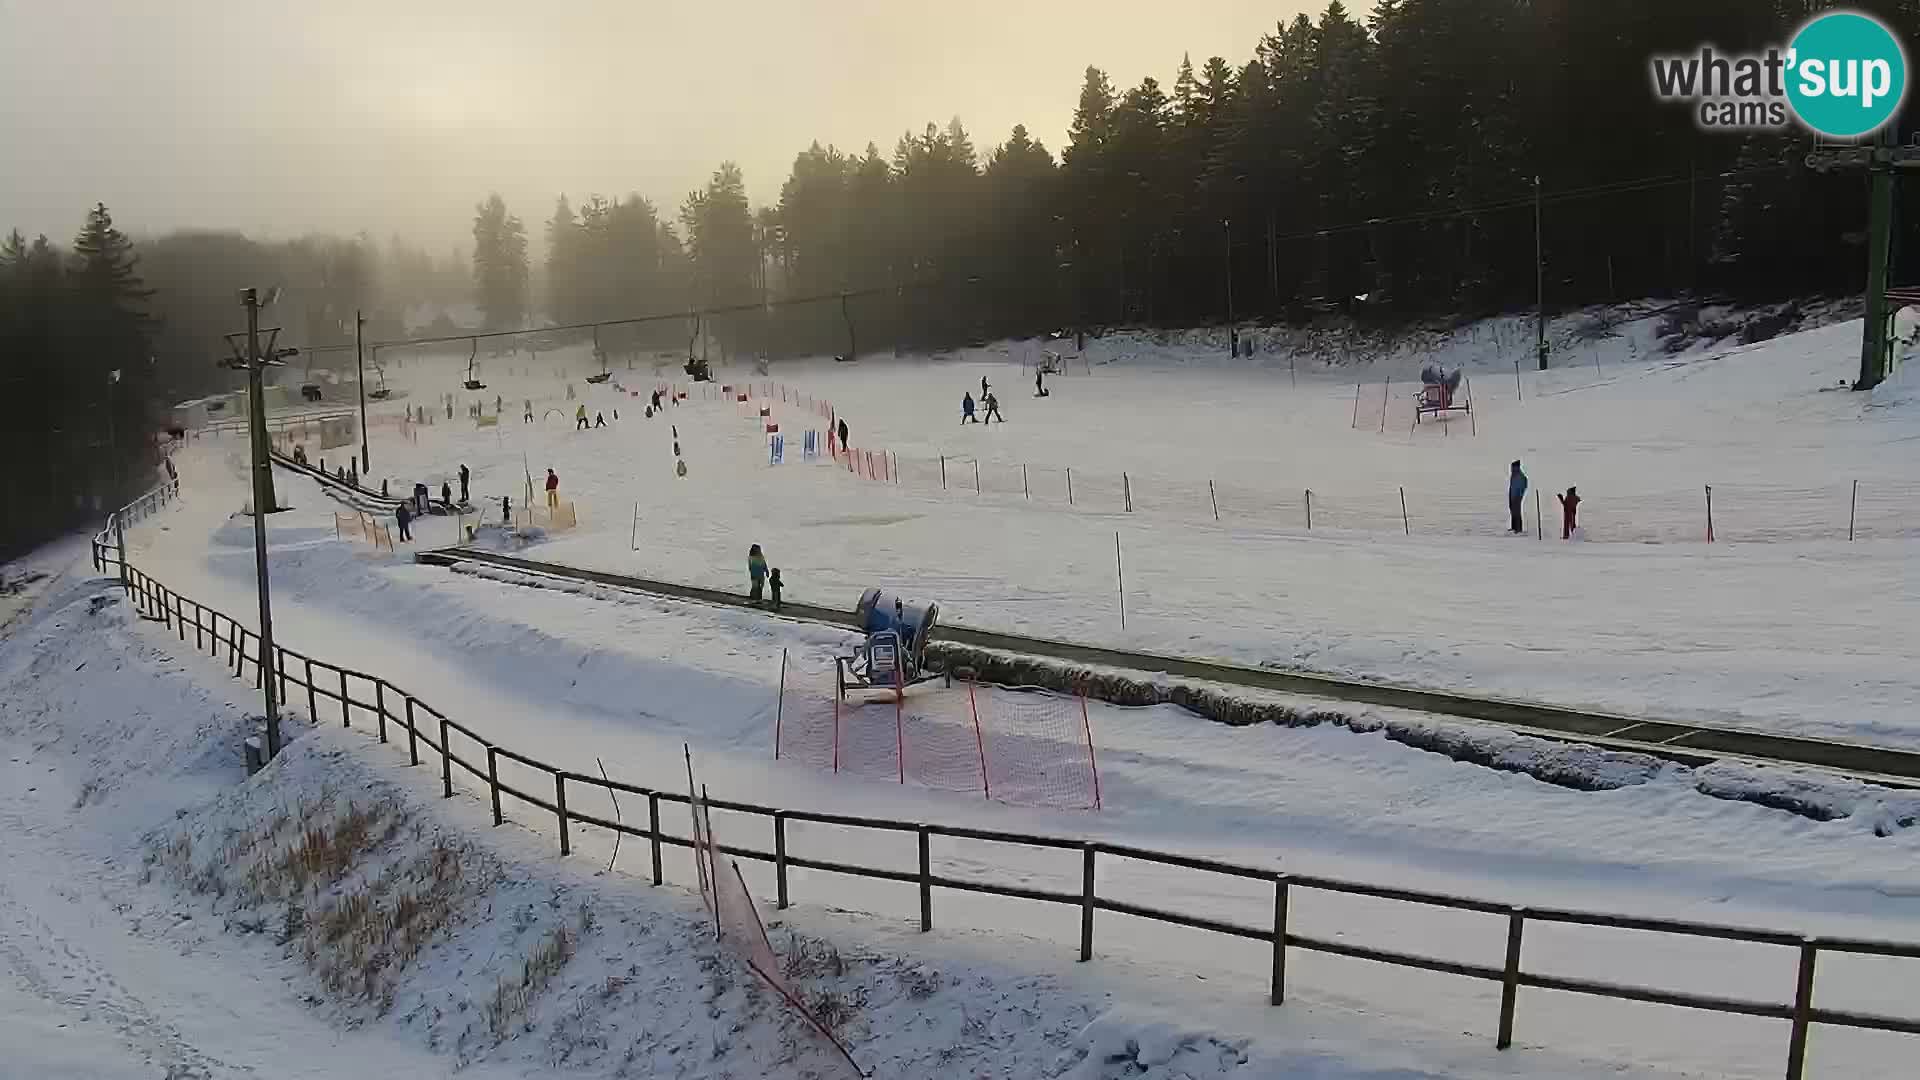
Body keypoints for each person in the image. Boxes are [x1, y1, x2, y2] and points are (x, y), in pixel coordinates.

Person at [1507, 461, 1528, 535]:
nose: (1511, 469)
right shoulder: (1513, 475)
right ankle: (1514, 527)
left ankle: (1518, 529)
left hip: (1517, 497)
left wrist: (1519, 495)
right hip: (1512, 496)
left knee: (1517, 512)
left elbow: (1524, 485)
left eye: (1513, 467)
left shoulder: (1520, 476)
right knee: (1513, 511)